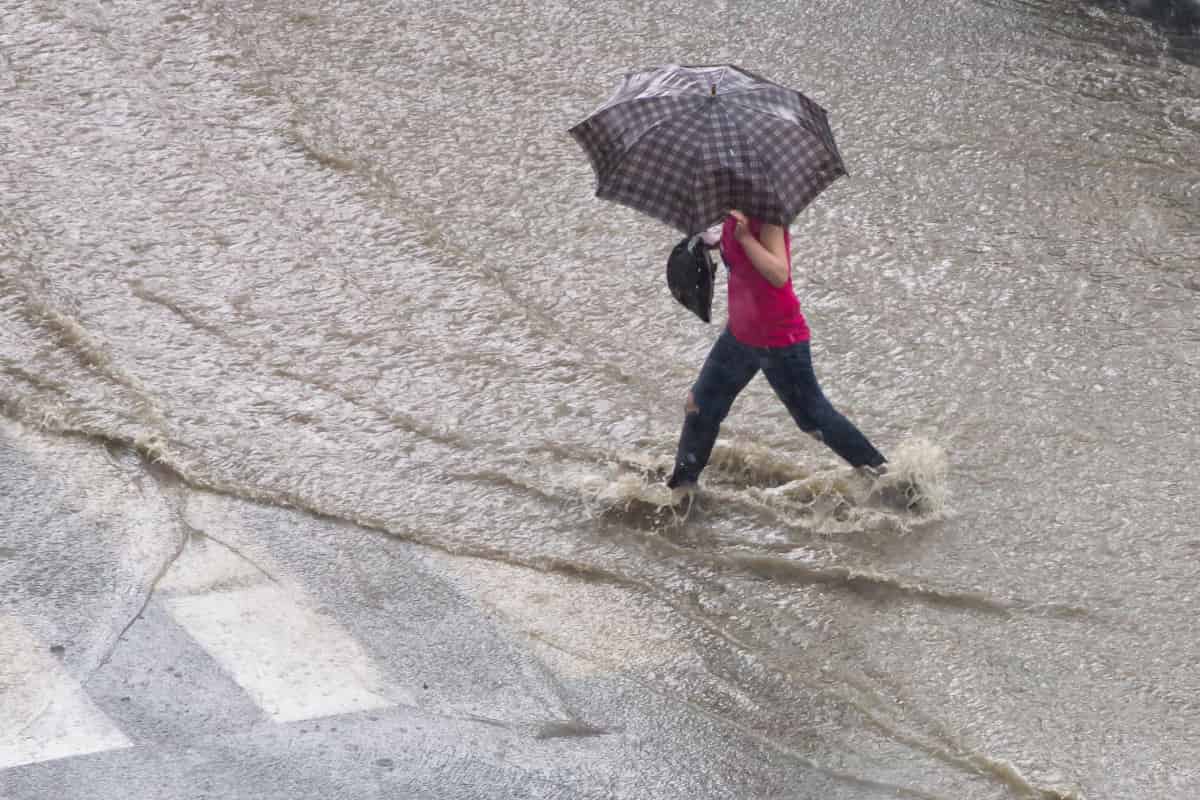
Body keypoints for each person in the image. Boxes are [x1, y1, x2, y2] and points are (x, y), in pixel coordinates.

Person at [667, 209, 888, 495]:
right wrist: (711, 239)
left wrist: (746, 239)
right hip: (741, 334)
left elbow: (778, 273)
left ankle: (884, 478)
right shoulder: (732, 212)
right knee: (700, 406)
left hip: (778, 337)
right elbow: (734, 253)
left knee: (812, 418)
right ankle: (681, 490)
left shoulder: (767, 212)